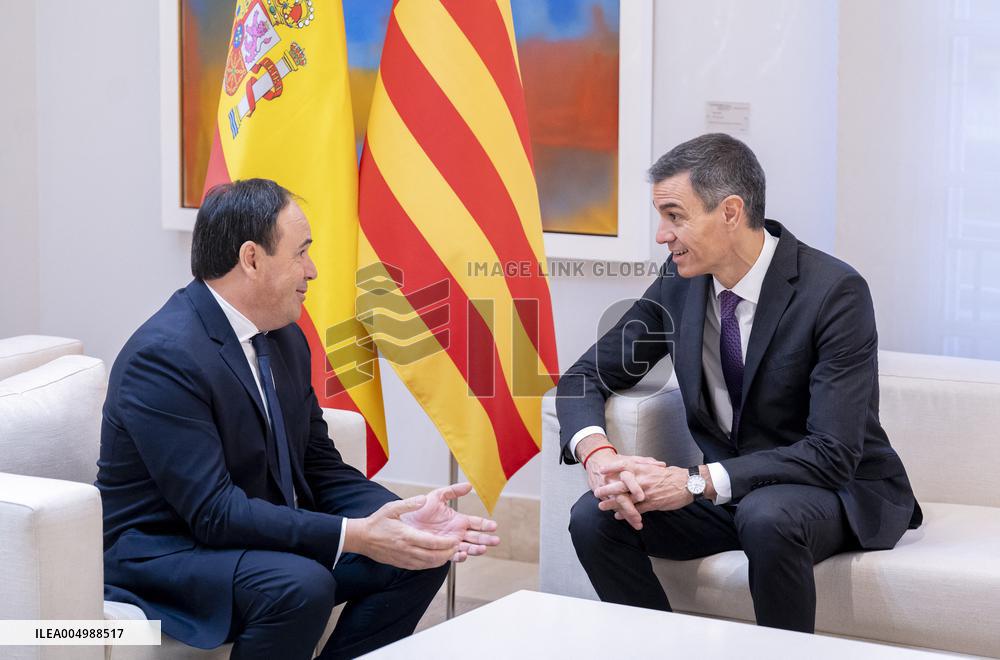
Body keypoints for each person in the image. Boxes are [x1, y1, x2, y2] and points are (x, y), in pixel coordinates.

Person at [97, 178, 500, 659]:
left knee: (418, 553)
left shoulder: (283, 336)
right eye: (301, 252)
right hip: (169, 552)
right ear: (251, 259)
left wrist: (403, 519)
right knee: (299, 584)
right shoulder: (163, 357)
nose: (312, 270)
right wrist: (354, 535)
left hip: (248, 536)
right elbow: (213, 513)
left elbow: (318, 465)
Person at [557, 133, 922, 633]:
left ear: (730, 211)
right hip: (729, 491)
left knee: (767, 516)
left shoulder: (834, 291)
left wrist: (694, 482)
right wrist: (599, 456)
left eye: (675, 215)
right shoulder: (679, 282)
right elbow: (582, 377)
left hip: (834, 487)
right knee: (594, 517)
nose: (662, 235)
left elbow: (834, 451)